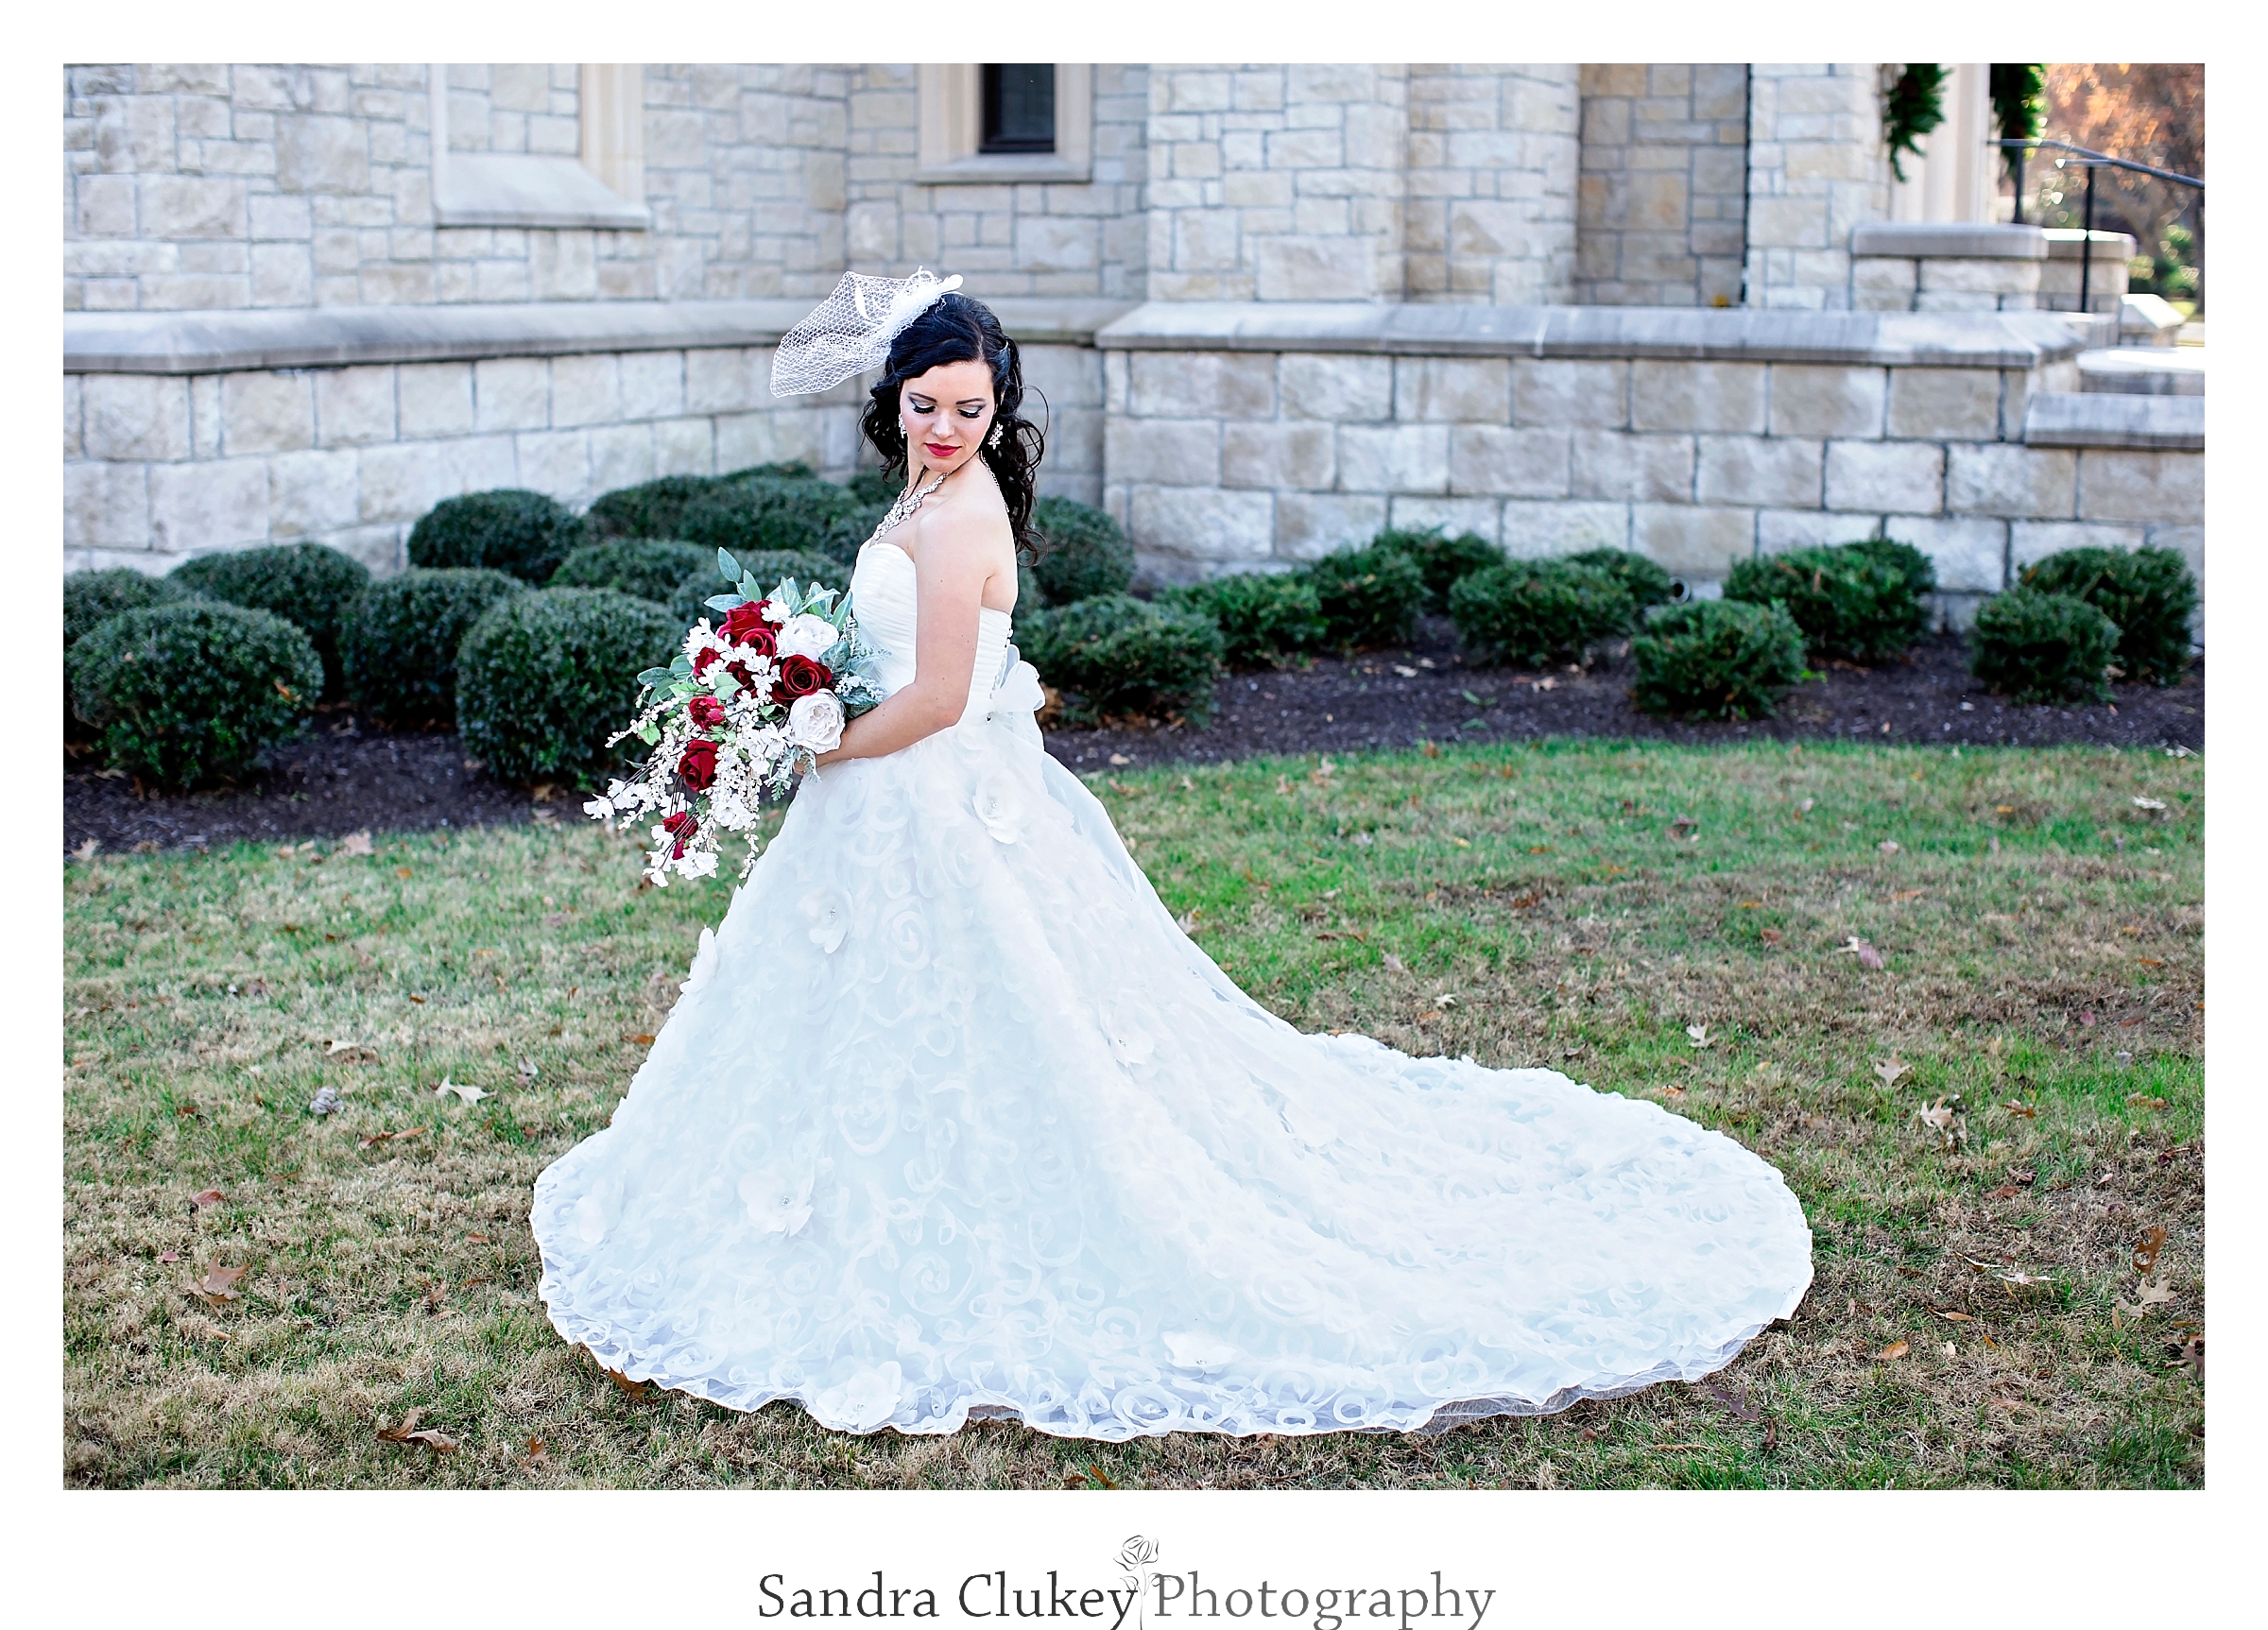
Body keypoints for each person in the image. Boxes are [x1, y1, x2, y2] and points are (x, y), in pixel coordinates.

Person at [531, 270, 1813, 1441]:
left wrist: (821, 738)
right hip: (903, 797)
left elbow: (929, 700)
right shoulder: (924, 489)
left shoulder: (965, 513)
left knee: (994, 1014)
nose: (942, 427)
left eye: (968, 408)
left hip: (920, 784)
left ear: (998, 405)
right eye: (924, 404)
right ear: (896, 399)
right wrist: (798, 665)